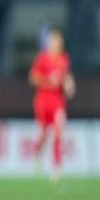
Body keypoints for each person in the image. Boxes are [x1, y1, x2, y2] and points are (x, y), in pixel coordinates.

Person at [29, 27, 76, 182]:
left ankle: (57, 168)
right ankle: (37, 155)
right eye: (54, 41)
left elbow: (66, 76)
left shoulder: (64, 59)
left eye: (58, 41)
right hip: (43, 100)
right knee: (43, 134)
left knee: (58, 132)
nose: (56, 44)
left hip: (57, 102)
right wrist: (48, 81)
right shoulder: (43, 58)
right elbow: (33, 77)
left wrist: (69, 85)